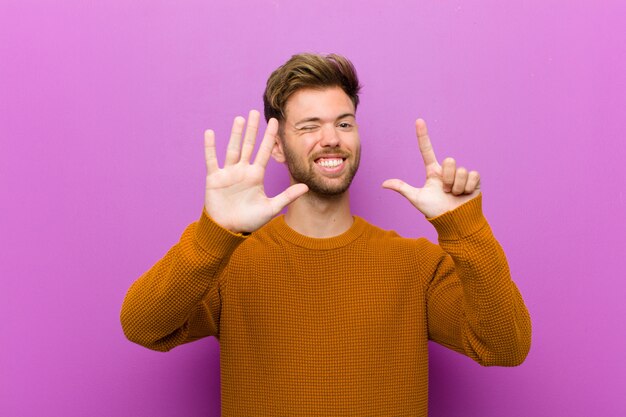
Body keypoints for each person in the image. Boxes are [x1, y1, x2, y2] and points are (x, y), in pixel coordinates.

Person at [120, 53, 531, 416]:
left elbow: (506, 347)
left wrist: (465, 226)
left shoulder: (416, 265)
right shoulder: (230, 262)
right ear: (278, 146)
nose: (331, 138)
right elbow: (143, 326)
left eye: (344, 123)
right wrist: (217, 234)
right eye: (309, 126)